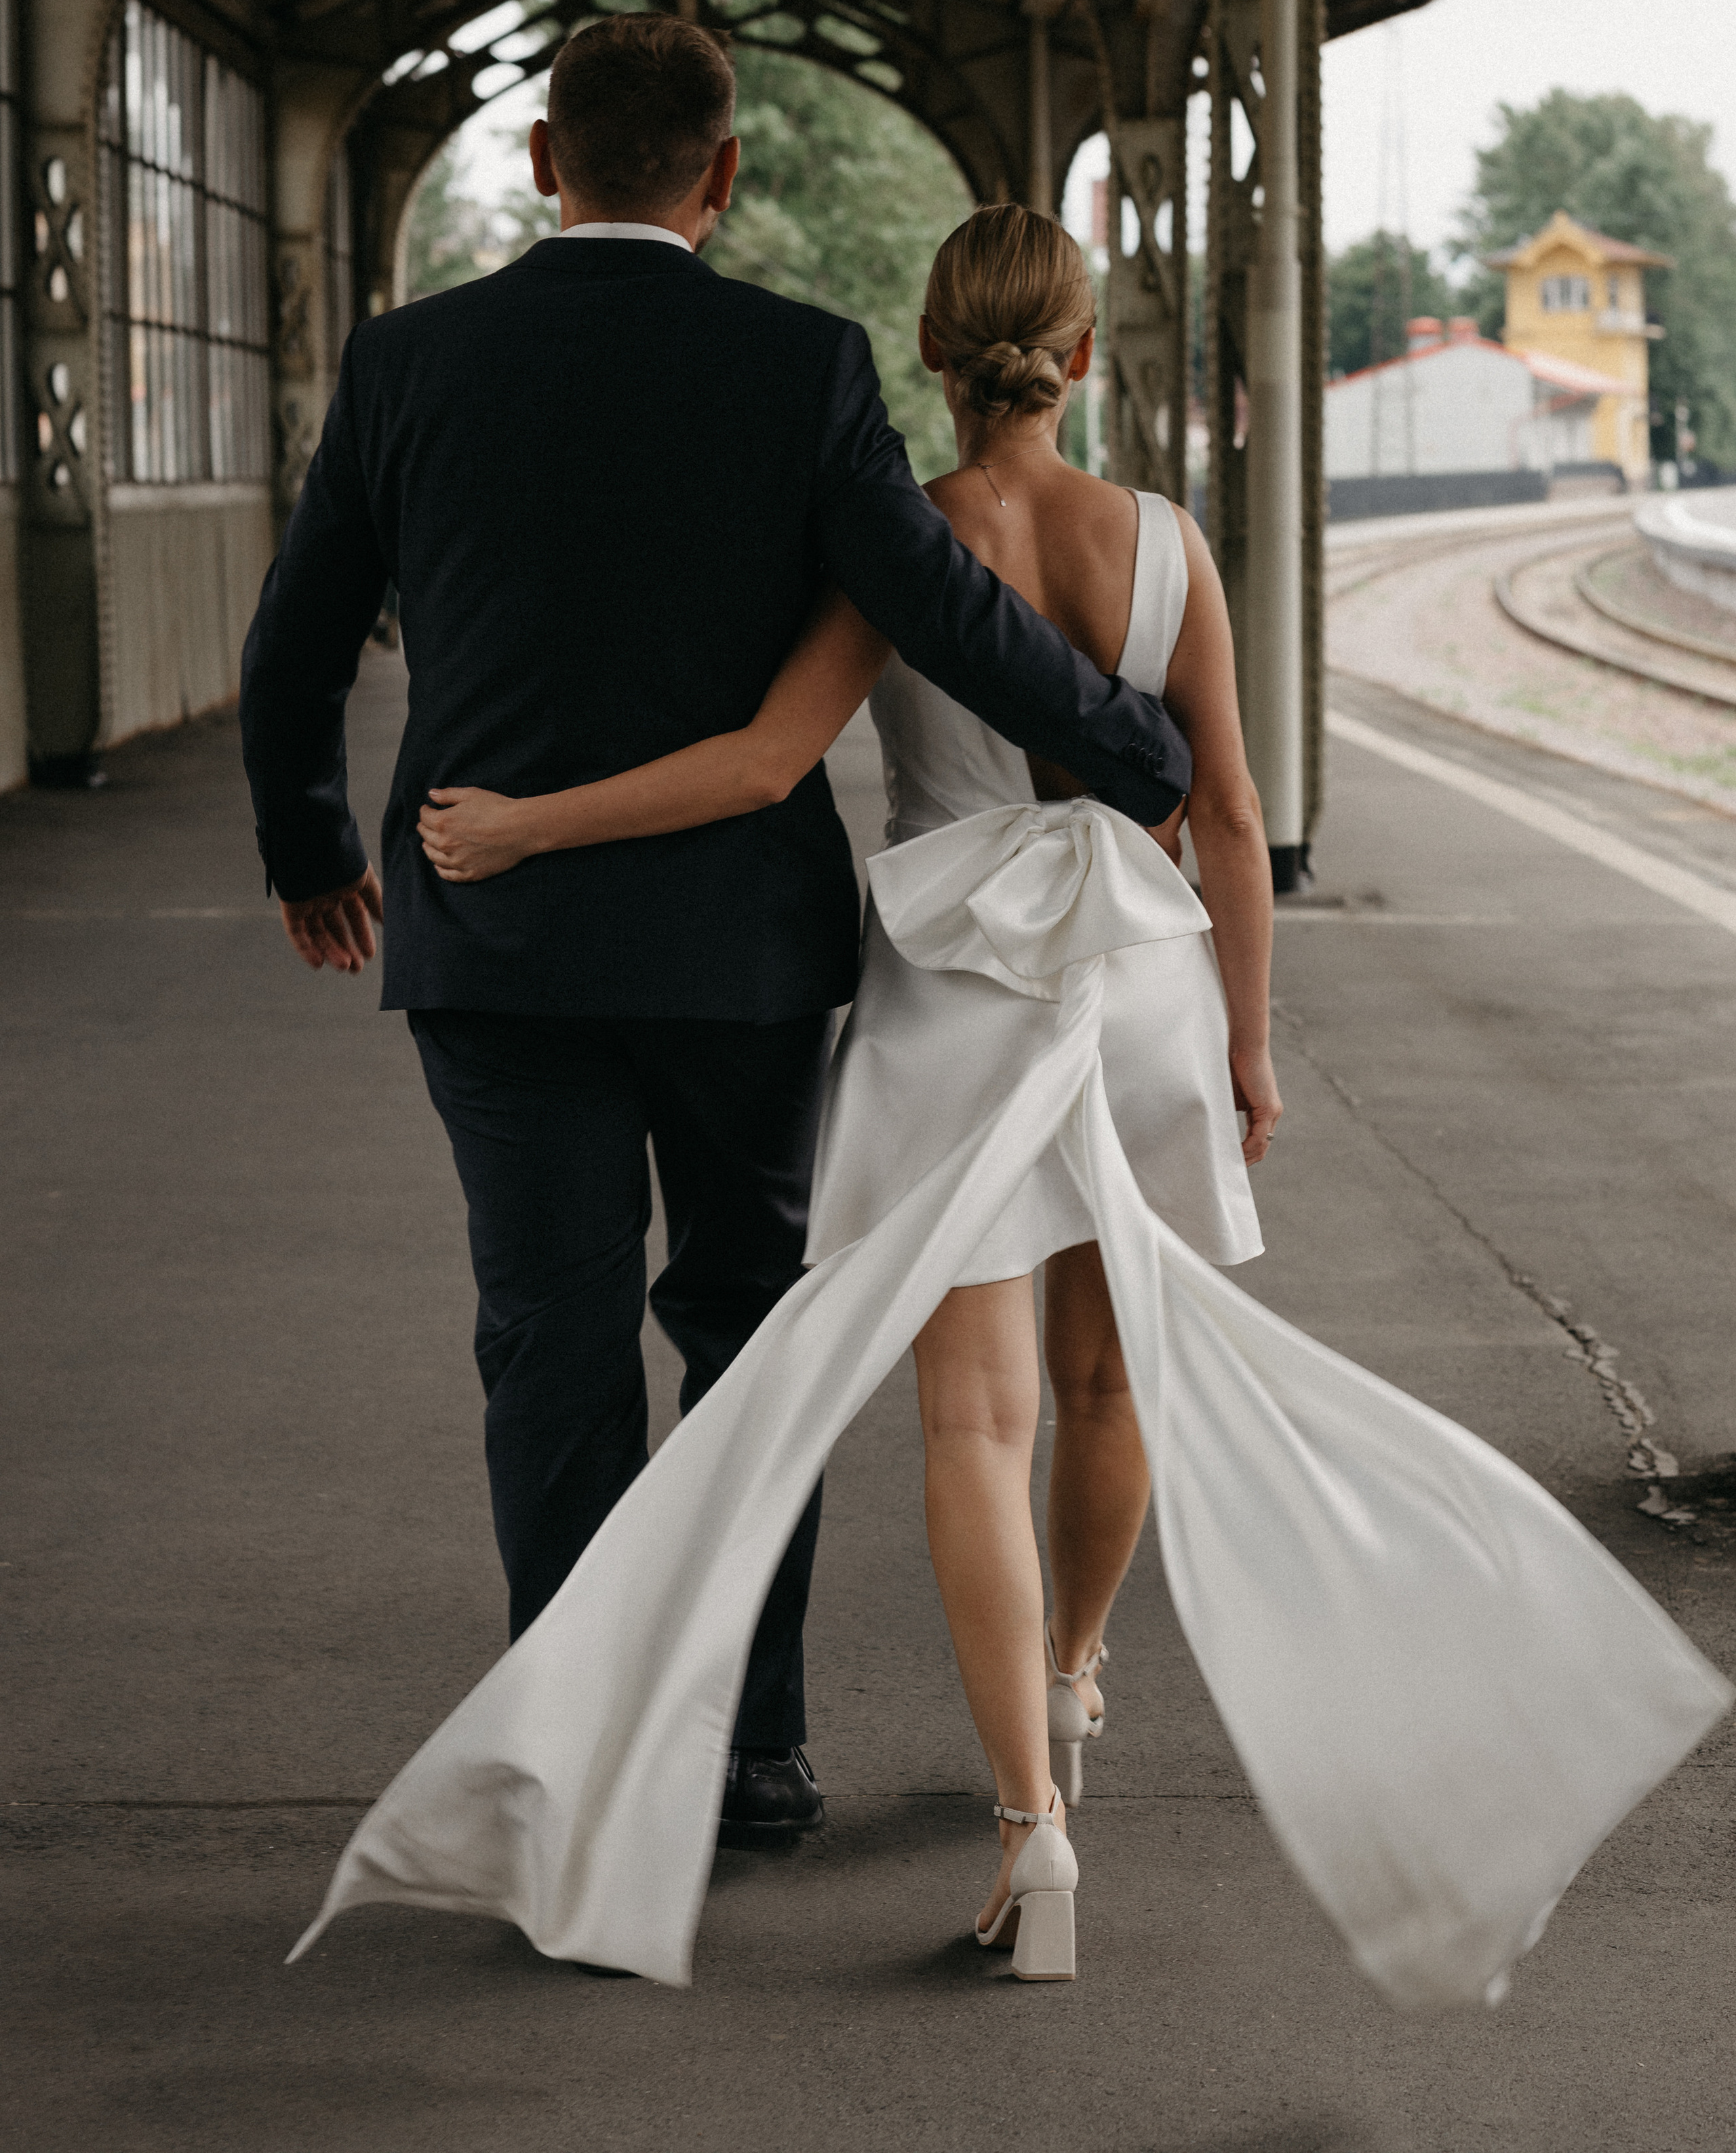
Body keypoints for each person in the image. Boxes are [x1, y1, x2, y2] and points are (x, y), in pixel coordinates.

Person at [293, 208, 1727, 1998]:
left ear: (930, 348)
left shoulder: (898, 545)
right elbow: (1223, 814)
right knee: (1109, 1376)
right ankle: (1076, 1672)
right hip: (1137, 984)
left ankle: (1029, 1829)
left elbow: (755, 764)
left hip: (956, 993)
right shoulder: (1174, 547)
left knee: (973, 1426)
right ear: (1083, 351)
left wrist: (517, 825)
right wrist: (1249, 1040)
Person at [240, 17, 1194, 1848]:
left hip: (494, 945)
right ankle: (753, 1752)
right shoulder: (799, 365)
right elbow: (929, 598)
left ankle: (577, 1751)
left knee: (551, 1343)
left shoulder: (408, 362)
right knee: (749, 1338)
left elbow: (297, 644)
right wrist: (1132, 747)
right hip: (735, 968)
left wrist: (309, 854)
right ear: (725, 174)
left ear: (541, 156)